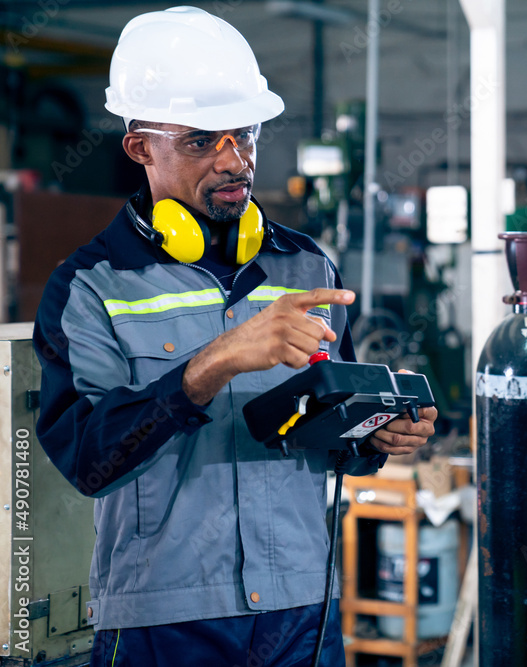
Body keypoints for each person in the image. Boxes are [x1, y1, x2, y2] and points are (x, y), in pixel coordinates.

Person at [32, 7, 436, 666]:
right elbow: (88, 461)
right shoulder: (89, 287)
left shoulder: (309, 267)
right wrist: (212, 363)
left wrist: (378, 435)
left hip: (302, 610)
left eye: (244, 136)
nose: (235, 161)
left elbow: (335, 438)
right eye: (202, 142)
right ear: (141, 147)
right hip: (165, 624)